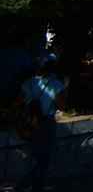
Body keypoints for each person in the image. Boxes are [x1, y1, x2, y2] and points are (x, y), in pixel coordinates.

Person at [13, 51, 66, 192]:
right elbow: (61, 106)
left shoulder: (28, 82)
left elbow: (16, 104)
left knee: (37, 158)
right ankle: (21, 186)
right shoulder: (56, 84)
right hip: (47, 121)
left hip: (30, 122)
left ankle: (37, 188)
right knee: (44, 161)